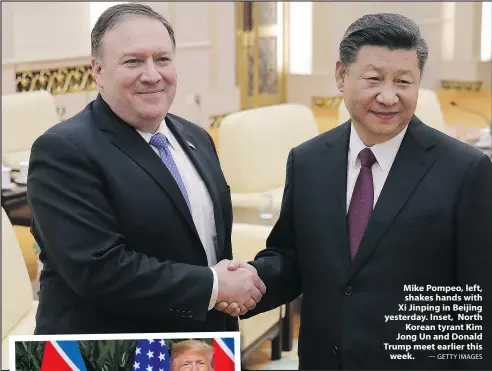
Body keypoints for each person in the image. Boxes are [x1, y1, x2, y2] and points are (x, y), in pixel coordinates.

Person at [218, 13, 492, 370]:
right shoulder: (307, 161)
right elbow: (291, 257)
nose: (389, 96)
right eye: (374, 79)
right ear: (340, 76)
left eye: (404, 81)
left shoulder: (465, 170)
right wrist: (247, 281)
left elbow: (477, 304)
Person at [27, 3, 265, 335]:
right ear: (97, 71)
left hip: (196, 346)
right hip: (106, 352)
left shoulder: (196, 137)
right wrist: (213, 286)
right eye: (133, 61)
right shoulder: (62, 151)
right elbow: (98, 270)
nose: (152, 74)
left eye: (163, 59)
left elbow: (208, 246)